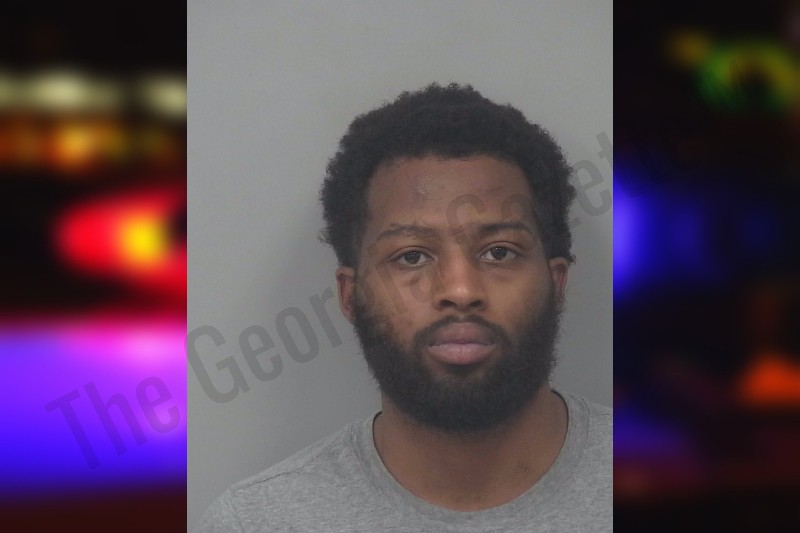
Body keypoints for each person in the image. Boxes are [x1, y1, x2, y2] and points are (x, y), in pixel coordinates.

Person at [196, 83, 612, 532]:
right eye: (412, 256)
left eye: (499, 252)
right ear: (350, 295)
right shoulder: (255, 523)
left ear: (556, 282)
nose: (460, 290)